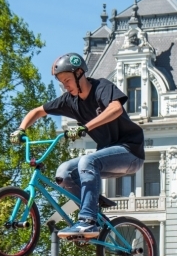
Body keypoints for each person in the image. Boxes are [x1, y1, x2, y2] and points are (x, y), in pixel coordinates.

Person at [12, 52, 145, 239]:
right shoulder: (69, 100)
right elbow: (38, 111)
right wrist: (21, 129)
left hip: (130, 152)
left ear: (80, 74)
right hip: (107, 157)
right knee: (64, 172)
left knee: (87, 162)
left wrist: (86, 127)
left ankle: (87, 221)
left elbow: (115, 108)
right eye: (62, 82)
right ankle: (94, 213)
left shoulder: (101, 87)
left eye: (67, 80)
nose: (65, 86)